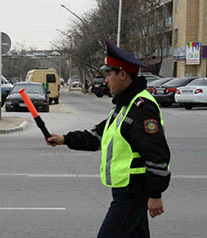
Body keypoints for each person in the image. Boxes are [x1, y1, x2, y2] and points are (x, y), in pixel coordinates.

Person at [47, 39, 171, 238]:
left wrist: (155, 194)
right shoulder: (124, 106)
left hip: (133, 191)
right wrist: (64, 139)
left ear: (122, 74)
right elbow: (97, 137)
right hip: (125, 189)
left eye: (108, 74)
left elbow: (157, 154)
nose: (105, 80)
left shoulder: (141, 107)